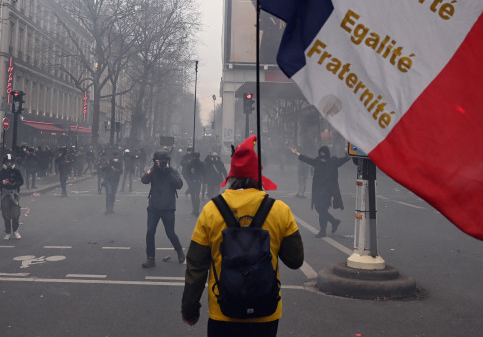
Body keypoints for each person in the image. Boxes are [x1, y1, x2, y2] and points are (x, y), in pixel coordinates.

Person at [181, 135, 304, 335]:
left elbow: (196, 267)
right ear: (258, 177)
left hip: (223, 311)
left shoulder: (211, 210)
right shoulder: (280, 210)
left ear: (231, 177)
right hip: (266, 312)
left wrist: (190, 308)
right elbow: (295, 260)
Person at [291, 145, 350, 237]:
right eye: (320, 153)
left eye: (323, 154)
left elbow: (344, 159)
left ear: (327, 154)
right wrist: (296, 153)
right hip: (318, 191)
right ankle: (334, 221)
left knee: (322, 209)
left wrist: (350, 154)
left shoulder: (333, 162)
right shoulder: (317, 161)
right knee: (319, 208)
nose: (322, 156)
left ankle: (323, 230)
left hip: (328, 192)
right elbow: (306, 159)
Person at [140, 150, 185, 268]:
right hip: (154, 207)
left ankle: (179, 251)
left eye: (162, 161)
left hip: (168, 207)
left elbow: (179, 185)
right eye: (158, 161)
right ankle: (150, 258)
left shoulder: (172, 171)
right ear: (155, 161)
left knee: (170, 233)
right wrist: (152, 170)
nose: (161, 164)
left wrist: (169, 172)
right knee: (150, 232)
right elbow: (144, 180)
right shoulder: (153, 170)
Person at [0, 154, 24, 240]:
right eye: (7, 162)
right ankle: (7, 232)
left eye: (10, 162)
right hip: (5, 195)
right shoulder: (1, 172)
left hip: (14, 194)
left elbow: (21, 181)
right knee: (6, 214)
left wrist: (15, 184)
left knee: (15, 214)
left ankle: (15, 230)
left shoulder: (16, 171)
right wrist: (2, 182)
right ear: (4, 163)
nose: (9, 164)